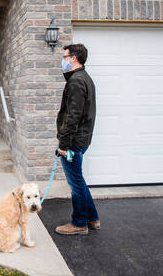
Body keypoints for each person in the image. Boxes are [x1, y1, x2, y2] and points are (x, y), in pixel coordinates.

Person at [55, 43, 99, 235]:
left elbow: (73, 116)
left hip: (74, 142)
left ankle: (79, 222)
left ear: (73, 58)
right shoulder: (84, 78)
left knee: (75, 183)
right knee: (79, 180)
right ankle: (92, 218)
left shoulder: (76, 81)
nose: (63, 61)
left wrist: (64, 144)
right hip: (82, 139)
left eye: (65, 57)